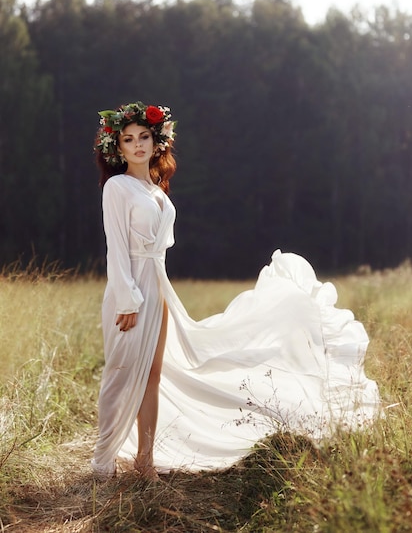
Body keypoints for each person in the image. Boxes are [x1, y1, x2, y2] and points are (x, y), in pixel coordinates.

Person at [91, 99, 381, 480]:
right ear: (119, 148)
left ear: (157, 142)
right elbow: (116, 246)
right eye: (129, 140)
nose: (138, 145)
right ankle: (102, 462)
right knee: (123, 371)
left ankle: (145, 460)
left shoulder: (158, 192)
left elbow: (158, 250)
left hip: (158, 284)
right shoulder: (118, 187)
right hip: (129, 288)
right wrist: (127, 298)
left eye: (144, 136)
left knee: (152, 376)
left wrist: (152, 293)